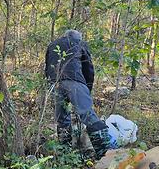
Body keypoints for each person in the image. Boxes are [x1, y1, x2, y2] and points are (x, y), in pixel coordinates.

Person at [44, 30, 114, 160]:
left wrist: (50, 84)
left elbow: (47, 66)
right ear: (78, 37)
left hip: (55, 83)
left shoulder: (53, 44)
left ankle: (64, 153)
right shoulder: (80, 43)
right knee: (88, 115)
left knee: (62, 119)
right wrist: (87, 89)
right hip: (74, 81)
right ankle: (105, 153)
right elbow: (88, 68)